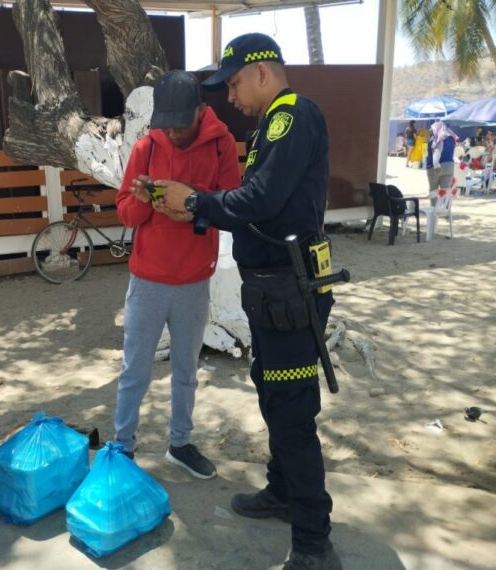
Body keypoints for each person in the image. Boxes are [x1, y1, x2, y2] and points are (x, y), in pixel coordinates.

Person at [160, 33, 341, 570]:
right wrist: (198, 209)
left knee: (290, 413)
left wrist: (194, 200)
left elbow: (260, 199)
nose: (228, 97)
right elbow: (256, 206)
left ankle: (313, 540)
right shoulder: (271, 123)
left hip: (290, 288)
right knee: (273, 395)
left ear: (262, 71)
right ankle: (282, 491)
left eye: (233, 83)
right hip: (273, 289)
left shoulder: (292, 116)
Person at [113, 70, 241, 479]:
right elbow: (126, 214)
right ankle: (122, 448)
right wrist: (144, 200)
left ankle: (181, 444)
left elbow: (232, 205)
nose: (175, 133)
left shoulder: (221, 145)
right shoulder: (147, 147)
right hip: (147, 280)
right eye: (166, 124)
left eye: (181, 124)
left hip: (192, 282)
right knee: (135, 370)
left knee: (186, 371)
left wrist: (192, 204)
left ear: (201, 111)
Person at [426, 120, 457, 191]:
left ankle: (434, 203)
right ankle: (445, 202)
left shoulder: (433, 142)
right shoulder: (452, 139)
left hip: (434, 168)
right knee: (446, 192)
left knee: (433, 190)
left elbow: (427, 155)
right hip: (449, 166)